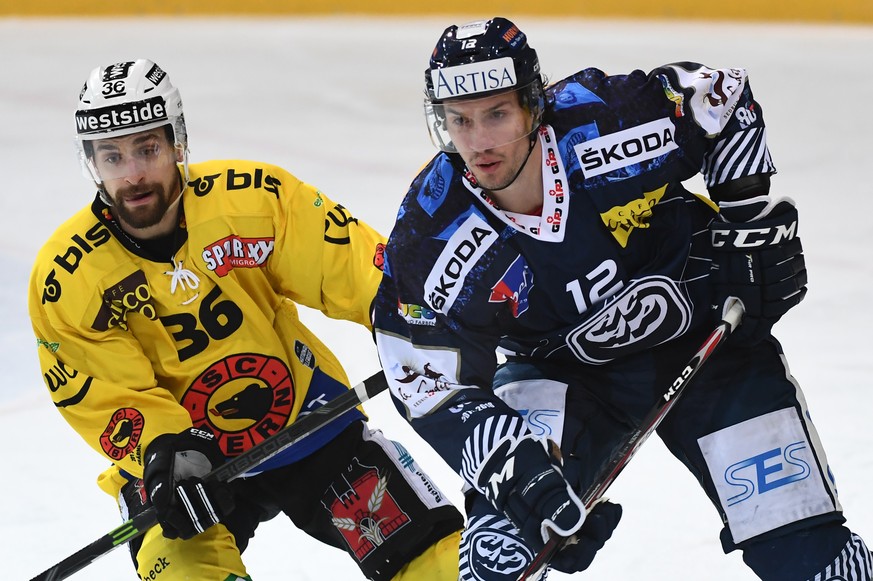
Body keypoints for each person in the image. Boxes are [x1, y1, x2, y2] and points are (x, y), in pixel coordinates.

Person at [372, 16, 872, 581]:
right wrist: (508, 466)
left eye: (497, 114)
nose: (479, 141)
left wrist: (744, 220)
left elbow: (722, 96)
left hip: (707, 339)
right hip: (563, 374)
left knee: (808, 558)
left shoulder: (604, 120)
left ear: (534, 105)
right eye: (459, 120)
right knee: (501, 560)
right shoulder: (431, 229)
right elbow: (419, 369)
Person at [28, 58, 464, 581]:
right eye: (113, 155)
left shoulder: (252, 198)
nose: (134, 174)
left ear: (177, 143)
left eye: (148, 148)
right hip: (183, 473)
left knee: (439, 568)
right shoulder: (68, 277)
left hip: (307, 425)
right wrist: (164, 450)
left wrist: (420, 319)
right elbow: (106, 393)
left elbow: (352, 266)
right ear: (91, 163)